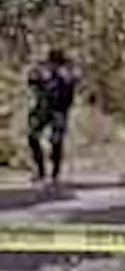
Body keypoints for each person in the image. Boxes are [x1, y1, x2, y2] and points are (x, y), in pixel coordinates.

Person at [28, 47, 79, 183]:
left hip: (59, 110)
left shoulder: (67, 72)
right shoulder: (42, 70)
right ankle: (41, 170)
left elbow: (72, 84)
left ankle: (54, 173)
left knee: (56, 140)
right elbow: (32, 82)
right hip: (43, 109)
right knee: (33, 137)